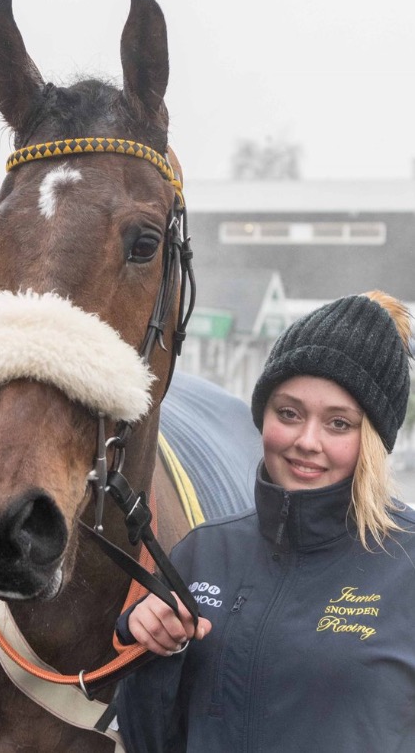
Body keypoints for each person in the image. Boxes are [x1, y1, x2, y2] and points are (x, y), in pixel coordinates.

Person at [115, 291, 415, 752]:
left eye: (338, 423)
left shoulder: (406, 565)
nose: (307, 441)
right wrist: (147, 646)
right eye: (289, 413)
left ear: (373, 438)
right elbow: (148, 742)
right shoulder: (203, 553)